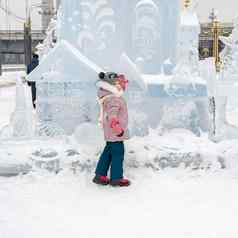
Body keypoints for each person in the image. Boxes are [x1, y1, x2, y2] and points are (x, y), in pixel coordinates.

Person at [93, 72, 131, 187]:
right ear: (113, 86)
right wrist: (117, 128)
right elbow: (112, 115)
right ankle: (116, 178)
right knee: (118, 153)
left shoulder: (109, 97)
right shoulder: (113, 99)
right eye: (119, 85)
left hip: (111, 132)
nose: (122, 87)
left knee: (108, 152)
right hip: (115, 132)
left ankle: (100, 175)